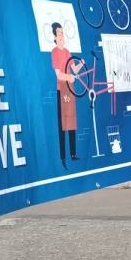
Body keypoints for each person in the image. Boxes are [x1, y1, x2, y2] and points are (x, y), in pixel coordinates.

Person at [50, 23, 81, 168]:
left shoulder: (68, 52)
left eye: (63, 33)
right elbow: (58, 74)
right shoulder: (54, 52)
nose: (62, 36)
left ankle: (73, 154)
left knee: (72, 123)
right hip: (61, 89)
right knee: (63, 125)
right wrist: (68, 78)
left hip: (70, 89)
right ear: (55, 37)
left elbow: (74, 70)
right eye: (59, 33)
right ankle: (63, 157)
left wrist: (80, 64)